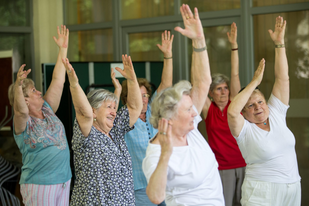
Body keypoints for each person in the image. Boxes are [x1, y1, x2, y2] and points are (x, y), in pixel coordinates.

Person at [142, 4, 224, 206]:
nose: (194, 112)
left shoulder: (190, 129)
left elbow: (203, 82)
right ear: (169, 117)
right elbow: (155, 196)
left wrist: (199, 41)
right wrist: (166, 154)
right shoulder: (156, 151)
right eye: (188, 110)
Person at [227, 16, 301, 206]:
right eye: (251, 105)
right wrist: (254, 83)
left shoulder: (276, 113)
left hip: (292, 187)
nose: (258, 106)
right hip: (262, 192)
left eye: (260, 101)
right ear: (245, 112)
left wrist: (279, 44)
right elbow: (232, 112)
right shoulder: (244, 129)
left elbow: (282, 79)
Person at [62, 55, 142, 205]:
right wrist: (74, 84)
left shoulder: (115, 130)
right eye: (108, 107)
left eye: (114, 107)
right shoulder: (87, 134)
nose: (114, 111)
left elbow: (135, 107)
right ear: (93, 111)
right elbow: (82, 112)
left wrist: (132, 80)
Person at [7, 25, 72, 206]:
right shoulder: (23, 122)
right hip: (39, 184)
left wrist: (63, 49)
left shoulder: (47, 109)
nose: (38, 92)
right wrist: (19, 85)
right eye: (33, 90)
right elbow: (20, 110)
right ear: (25, 99)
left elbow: (59, 79)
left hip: (64, 180)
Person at [121, 30, 173, 206]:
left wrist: (168, 56)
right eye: (138, 95)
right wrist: (131, 78)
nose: (143, 99)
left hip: (164, 180)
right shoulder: (123, 118)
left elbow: (166, 84)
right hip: (140, 187)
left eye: (145, 95)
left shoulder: (153, 110)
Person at [202, 22, 246, 206]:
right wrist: (199, 45)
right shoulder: (208, 110)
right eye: (218, 89)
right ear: (210, 93)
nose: (223, 92)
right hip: (222, 168)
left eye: (225, 88)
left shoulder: (234, 105)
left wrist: (234, 46)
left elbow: (235, 75)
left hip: (244, 164)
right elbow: (200, 81)